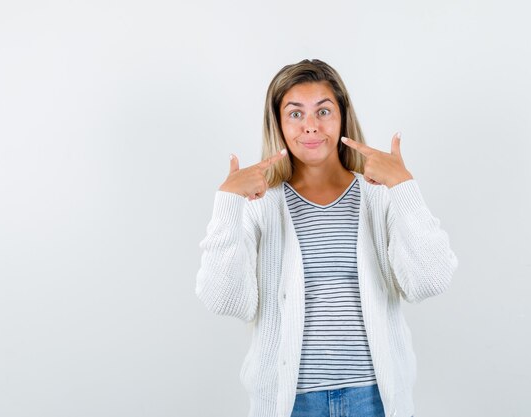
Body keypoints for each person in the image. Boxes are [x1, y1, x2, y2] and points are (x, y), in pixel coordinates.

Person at [195, 59, 458, 417]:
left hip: (375, 399)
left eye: (323, 111)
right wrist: (227, 202)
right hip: (291, 403)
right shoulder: (261, 204)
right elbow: (226, 300)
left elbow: (430, 280)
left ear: (342, 117)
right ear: (278, 123)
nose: (311, 127)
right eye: (295, 114)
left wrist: (403, 187)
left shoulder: (378, 196)